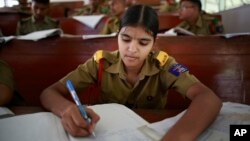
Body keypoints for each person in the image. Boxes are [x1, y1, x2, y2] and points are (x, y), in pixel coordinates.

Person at [40, 4, 222, 141]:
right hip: (104, 134)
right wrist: (67, 110)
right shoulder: (100, 63)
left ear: (154, 42)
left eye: (143, 42)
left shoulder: (165, 65)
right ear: (117, 34)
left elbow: (208, 98)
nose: (132, 49)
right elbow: (49, 92)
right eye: (125, 39)